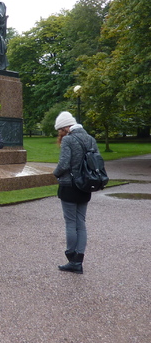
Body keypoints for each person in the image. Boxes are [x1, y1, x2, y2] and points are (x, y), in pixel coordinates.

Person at [53, 111, 96, 274]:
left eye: (60, 130)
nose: (59, 134)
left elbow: (63, 164)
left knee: (70, 223)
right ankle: (79, 260)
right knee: (81, 222)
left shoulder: (69, 140)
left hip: (69, 185)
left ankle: (71, 258)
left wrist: (55, 173)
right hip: (86, 185)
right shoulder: (90, 138)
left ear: (65, 127)